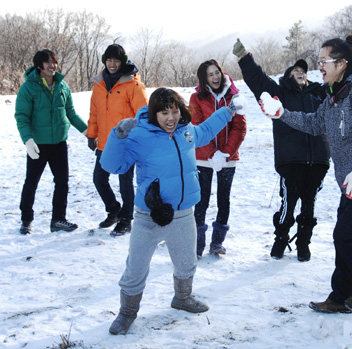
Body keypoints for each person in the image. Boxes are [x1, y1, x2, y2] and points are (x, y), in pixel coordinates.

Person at [261, 36, 352, 313]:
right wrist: (281, 113)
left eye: (323, 61)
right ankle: (339, 297)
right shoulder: (337, 93)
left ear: (341, 63)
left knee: (345, 236)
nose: (319, 67)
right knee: (343, 237)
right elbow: (314, 122)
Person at [101, 87, 245, 335]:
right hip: (149, 215)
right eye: (164, 112)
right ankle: (127, 312)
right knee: (136, 267)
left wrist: (228, 111)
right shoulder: (139, 135)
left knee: (186, 261)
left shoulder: (185, 131)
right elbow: (113, 165)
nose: (171, 118)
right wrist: (118, 135)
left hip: (183, 213)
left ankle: (183, 297)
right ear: (154, 113)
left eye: (174, 111)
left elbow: (207, 130)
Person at [232, 38, 330, 262]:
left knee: (309, 205)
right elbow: (258, 81)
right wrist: (244, 57)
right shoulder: (280, 94)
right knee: (288, 203)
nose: (300, 72)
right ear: (288, 76)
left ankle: (304, 242)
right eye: (295, 70)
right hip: (291, 159)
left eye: (303, 70)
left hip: (318, 159)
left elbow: (344, 85)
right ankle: (281, 237)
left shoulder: (320, 93)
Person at [14, 49, 87, 235]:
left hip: (59, 144)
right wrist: (28, 140)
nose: (52, 66)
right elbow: (22, 116)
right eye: (47, 62)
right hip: (38, 144)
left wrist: (87, 131)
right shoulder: (28, 88)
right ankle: (26, 220)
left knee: (62, 182)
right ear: (39, 66)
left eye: (54, 62)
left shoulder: (62, 86)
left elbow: (70, 113)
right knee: (31, 183)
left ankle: (58, 220)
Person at [87, 44, 148, 236]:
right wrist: (91, 134)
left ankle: (126, 219)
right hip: (106, 141)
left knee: (125, 183)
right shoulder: (99, 83)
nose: (112, 64)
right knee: (99, 179)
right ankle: (114, 210)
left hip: (127, 143)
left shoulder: (133, 84)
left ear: (123, 61)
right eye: (109, 60)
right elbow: (95, 112)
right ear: (105, 60)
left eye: (116, 60)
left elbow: (143, 114)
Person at [189, 60, 247, 257]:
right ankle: (196, 245)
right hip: (202, 157)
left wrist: (225, 153)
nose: (215, 77)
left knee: (224, 199)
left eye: (217, 73)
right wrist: (212, 153)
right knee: (201, 200)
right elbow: (196, 127)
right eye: (210, 75)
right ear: (204, 79)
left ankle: (217, 243)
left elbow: (240, 128)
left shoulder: (234, 97)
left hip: (228, 157)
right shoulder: (196, 98)